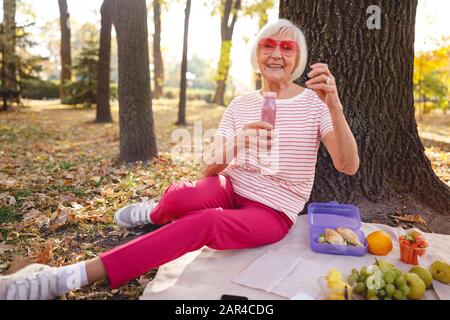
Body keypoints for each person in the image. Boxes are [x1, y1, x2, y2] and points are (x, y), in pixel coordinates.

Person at [0, 19, 359, 300]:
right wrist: (237, 141)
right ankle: (155, 213)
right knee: (182, 197)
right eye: (268, 45)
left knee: (205, 222)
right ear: (257, 55)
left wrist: (337, 107)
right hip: (231, 184)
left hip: (272, 212)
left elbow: (348, 166)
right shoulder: (240, 104)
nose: (276, 53)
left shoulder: (317, 104)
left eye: (287, 47)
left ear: (298, 58)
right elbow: (209, 168)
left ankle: (68, 276)